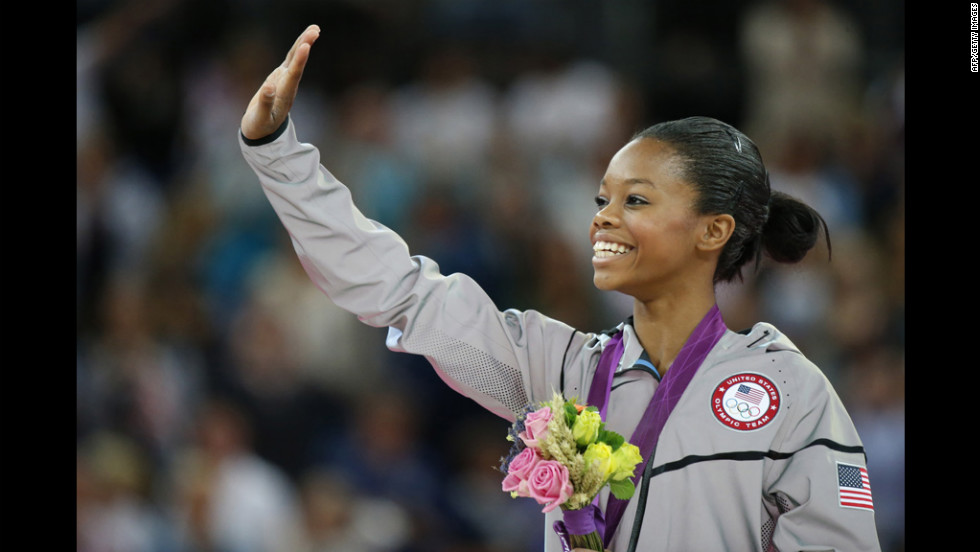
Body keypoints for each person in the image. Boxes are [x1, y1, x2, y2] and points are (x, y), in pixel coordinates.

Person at [238, 25, 881, 552]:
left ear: (713, 230)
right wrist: (278, 154)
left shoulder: (789, 389)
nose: (602, 216)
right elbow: (403, 291)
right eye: (602, 198)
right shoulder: (559, 366)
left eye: (636, 200)